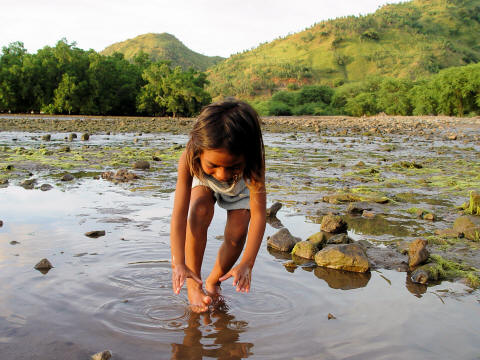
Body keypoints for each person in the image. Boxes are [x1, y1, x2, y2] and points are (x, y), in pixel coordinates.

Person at [170, 99, 266, 313]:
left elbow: (259, 216)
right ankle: (194, 285)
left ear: (246, 156)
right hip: (203, 180)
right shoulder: (190, 159)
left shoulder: (253, 164)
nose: (222, 175)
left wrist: (247, 263)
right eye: (214, 165)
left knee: (239, 228)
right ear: (199, 150)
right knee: (199, 209)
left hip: (240, 184)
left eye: (232, 165)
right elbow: (179, 214)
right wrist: (178, 262)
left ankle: (214, 281)